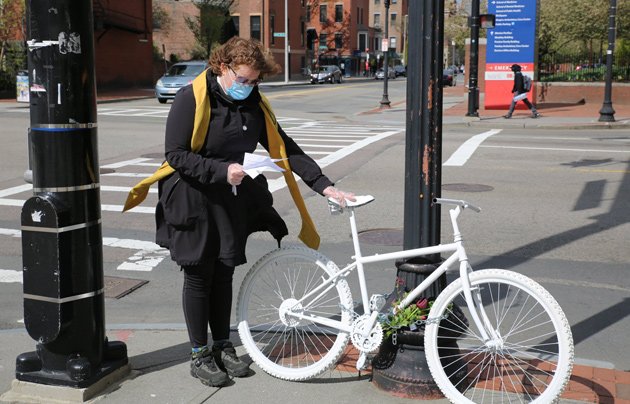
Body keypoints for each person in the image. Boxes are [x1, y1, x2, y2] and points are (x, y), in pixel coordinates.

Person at [123, 37, 354, 387]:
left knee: (224, 273)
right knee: (199, 276)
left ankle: (222, 344)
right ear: (223, 67)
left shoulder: (253, 105)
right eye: (244, 80)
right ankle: (200, 353)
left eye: (255, 81)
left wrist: (324, 185)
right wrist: (221, 171)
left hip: (229, 198)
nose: (248, 86)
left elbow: (285, 147)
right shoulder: (192, 98)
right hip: (194, 195)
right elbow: (176, 155)